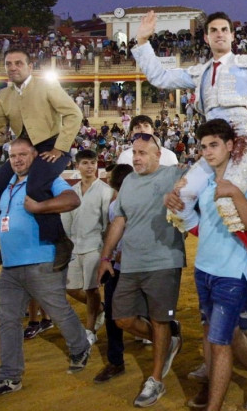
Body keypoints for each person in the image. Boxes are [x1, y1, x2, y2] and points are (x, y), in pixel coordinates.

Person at [133, 9, 247, 252]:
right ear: (206, 38)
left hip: (242, 139)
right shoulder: (199, 72)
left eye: (224, 30)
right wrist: (142, 42)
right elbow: (160, 78)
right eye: (213, 30)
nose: (219, 34)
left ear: (232, 35)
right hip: (212, 142)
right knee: (182, 197)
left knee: (229, 199)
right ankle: (215, 244)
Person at [0, 138, 91, 402]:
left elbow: (72, 200)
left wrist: (40, 206)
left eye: (23, 154)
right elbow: (3, 218)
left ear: (35, 156)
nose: (17, 160)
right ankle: (9, 376)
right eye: (13, 155)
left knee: (59, 310)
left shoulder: (45, 179)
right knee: (8, 320)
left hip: (42, 259)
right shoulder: (6, 186)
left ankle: (80, 346)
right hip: (11, 264)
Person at [181, 119, 247, 411]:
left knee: (219, 341)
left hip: (232, 275)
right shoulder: (207, 184)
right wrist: (179, 209)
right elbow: (201, 227)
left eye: (214, 145)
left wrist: (234, 192)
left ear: (230, 146)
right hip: (204, 270)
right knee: (219, 333)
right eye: (204, 146)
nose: (207, 152)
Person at [0, 49, 83, 269]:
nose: (13, 68)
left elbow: (74, 114)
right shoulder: (4, 95)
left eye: (18, 63)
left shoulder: (46, 85)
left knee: (36, 187)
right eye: (9, 64)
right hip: (26, 149)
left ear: (30, 67)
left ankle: (61, 242)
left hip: (51, 146)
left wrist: (60, 147)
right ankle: (4, 240)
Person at [97, 133, 186, 407]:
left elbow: (201, 175)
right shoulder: (129, 183)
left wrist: (182, 186)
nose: (137, 157)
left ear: (158, 155)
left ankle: (155, 380)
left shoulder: (173, 173)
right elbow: (119, 221)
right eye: (134, 152)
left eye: (143, 152)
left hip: (164, 261)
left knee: (160, 319)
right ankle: (167, 341)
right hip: (131, 263)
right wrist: (105, 257)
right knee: (121, 317)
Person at [61, 150, 113, 346]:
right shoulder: (71, 192)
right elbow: (66, 222)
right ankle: (100, 309)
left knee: (91, 289)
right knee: (71, 288)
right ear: (77, 166)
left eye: (93, 162)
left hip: (95, 246)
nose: (90, 166)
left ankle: (90, 330)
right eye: (85, 163)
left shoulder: (104, 191)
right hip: (74, 247)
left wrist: (106, 251)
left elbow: (108, 223)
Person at [92, 163, 134, 385]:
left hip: (135, 266)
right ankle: (115, 360)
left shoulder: (119, 203)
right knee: (112, 314)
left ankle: (116, 360)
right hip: (119, 267)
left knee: (116, 313)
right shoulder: (114, 204)